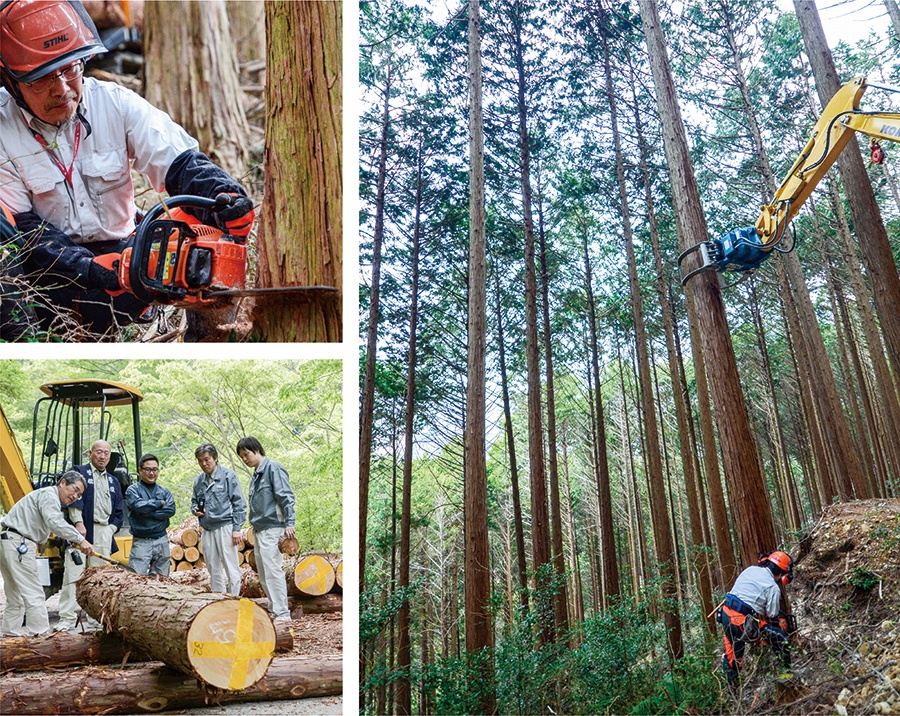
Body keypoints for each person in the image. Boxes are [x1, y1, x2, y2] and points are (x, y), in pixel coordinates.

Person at [0, 0, 255, 337]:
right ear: (13, 81)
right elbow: (25, 233)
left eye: (69, 69)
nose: (61, 88)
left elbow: (179, 162)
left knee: (187, 226)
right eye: (43, 79)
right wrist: (90, 269)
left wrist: (224, 195)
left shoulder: (114, 103)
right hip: (52, 276)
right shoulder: (4, 130)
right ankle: (23, 337)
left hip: (125, 254)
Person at [0, 472, 93, 636]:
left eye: (79, 495)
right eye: (75, 490)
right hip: (18, 543)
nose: (76, 497)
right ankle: (41, 637)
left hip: (9, 540)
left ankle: (9, 638)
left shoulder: (45, 496)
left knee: (15, 596)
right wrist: (80, 539)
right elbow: (55, 522)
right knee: (34, 593)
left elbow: (45, 523)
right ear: (63, 482)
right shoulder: (49, 495)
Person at [55, 439, 124, 632]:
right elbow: (73, 499)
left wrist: (111, 530)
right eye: (99, 452)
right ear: (91, 453)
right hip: (80, 529)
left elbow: (119, 512)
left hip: (104, 531)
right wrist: (78, 522)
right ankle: (67, 618)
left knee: (99, 578)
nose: (102, 456)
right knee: (73, 574)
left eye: (106, 453)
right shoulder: (79, 472)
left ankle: (95, 619)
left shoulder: (113, 480)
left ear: (110, 457)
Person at [237, 436, 295, 622]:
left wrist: (290, 522)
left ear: (257, 450)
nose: (245, 459)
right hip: (259, 529)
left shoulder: (273, 468)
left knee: (272, 571)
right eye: (242, 457)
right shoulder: (256, 475)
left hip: (273, 527)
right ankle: (274, 610)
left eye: (246, 454)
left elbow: (285, 496)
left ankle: (282, 614)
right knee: (263, 573)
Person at [720, 550, 796, 684]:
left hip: (726, 615)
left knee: (733, 659)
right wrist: (781, 623)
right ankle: (788, 676)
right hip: (741, 622)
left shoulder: (751, 570)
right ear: (783, 574)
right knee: (779, 638)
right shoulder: (773, 587)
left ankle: (732, 693)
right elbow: (772, 616)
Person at [191, 443, 246, 595]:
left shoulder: (228, 476)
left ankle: (234, 599)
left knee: (231, 567)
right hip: (207, 529)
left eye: (207, 459)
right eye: (200, 460)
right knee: (212, 568)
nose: (204, 463)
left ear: (215, 458)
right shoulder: (199, 481)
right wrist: (195, 510)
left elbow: (239, 504)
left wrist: (237, 529)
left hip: (225, 527)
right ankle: (218, 600)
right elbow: (194, 502)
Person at [125, 453, 175, 577]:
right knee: (136, 579)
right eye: (147, 469)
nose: (151, 473)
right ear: (140, 470)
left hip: (162, 539)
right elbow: (138, 506)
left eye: (154, 469)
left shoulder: (164, 491)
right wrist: (159, 503)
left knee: (162, 580)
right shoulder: (133, 490)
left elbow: (170, 510)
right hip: (142, 541)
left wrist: (148, 514)